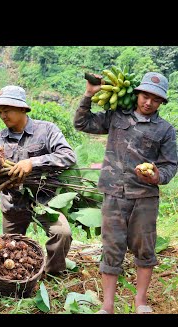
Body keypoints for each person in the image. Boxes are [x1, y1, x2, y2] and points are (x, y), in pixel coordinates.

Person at [74, 72, 177, 314]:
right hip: (114, 193)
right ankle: (107, 305)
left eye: (155, 99)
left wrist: (156, 176)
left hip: (145, 197)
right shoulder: (117, 116)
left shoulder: (165, 130)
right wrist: (89, 94)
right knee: (111, 248)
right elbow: (82, 123)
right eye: (145, 96)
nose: (148, 102)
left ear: (162, 102)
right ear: (137, 94)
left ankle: (140, 302)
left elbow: (171, 165)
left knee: (145, 248)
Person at [0, 85, 77, 274]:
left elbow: (68, 156)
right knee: (9, 249)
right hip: (13, 204)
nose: (3, 116)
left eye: (7, 110)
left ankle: (52, 273)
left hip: (44, 200)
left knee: (62, 234)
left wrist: (33, 162)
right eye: (0, 112)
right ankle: (19, 279)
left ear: (22, 109)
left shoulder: (46, 130)